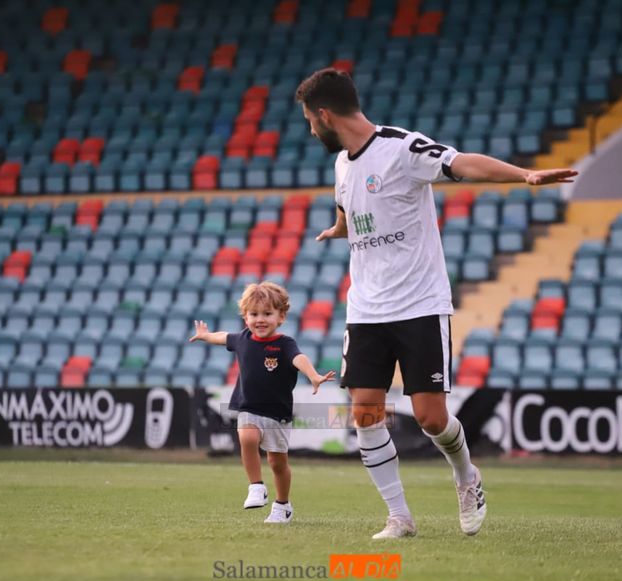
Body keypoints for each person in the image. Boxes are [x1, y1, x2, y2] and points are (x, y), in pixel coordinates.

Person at [296, 68, 577, 539]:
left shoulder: (401, 148)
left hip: (419, 304)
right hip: (365, 308)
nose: (310, 130)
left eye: (309, 120)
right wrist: (339, 229)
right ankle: (399, 517)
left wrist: (524, 174)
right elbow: (349, 212)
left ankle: (467, 476)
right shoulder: (342, 163)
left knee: (431, 418)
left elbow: (461, 162)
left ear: (324, 115)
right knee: (365, 413)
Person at [189, 281, 336, 524]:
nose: (260, 319)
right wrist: (205, 336)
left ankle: (283, 505)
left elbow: (299, 358)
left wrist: (313, 375)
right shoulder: (242, 338)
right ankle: (256, 486)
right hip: (248, 406)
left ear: (281, 317)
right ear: (245, 317)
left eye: (267, 314)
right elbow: (223, 337)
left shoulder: (285, 343)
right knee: (247, 438)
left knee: (277, 463)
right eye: (254, 314)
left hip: (277, 413)